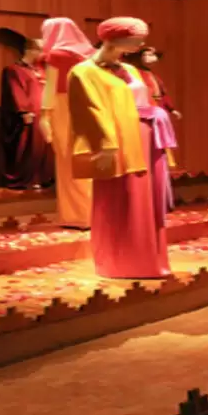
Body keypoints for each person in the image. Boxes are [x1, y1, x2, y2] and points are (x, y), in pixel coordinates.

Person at [66, 17, 171, 278]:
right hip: (117, 142)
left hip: (145, 138)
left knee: (146, 201)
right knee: (122, 199)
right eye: (136, 39)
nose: (141, 44)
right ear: (114, 39)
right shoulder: (84, 72)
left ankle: (149, 260)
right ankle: (119, 262)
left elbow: (143, 100)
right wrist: (106, 145)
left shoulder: (130, 69)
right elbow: (89, 111)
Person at [39, 18, 96, 228]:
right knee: (86, 159)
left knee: (67, 161)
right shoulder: (89, 54)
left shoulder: (56, 55)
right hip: (89, 106)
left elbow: (51, 87)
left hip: (64, 106)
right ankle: (95, 213)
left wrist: (44, 115)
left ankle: (78, 215)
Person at [122, 46, 180, 211]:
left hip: (157, 111)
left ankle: (162, 197)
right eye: (148, 54)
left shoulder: (154, 76)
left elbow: (163, 93)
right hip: (144, 113)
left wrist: (171, 109)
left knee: (161, 154)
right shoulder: (134, 74)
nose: (152, 58)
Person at [0, 37, 53, 189]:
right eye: (41, 51)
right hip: (29, 115)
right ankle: (27, 179)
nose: (43, 55)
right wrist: (24, 111)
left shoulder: (40, 70)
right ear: (30, 50)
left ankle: (43, 177)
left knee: (44, 147)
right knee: (29, 147)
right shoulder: (13, 70)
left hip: (43, 113)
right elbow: (14, 90)